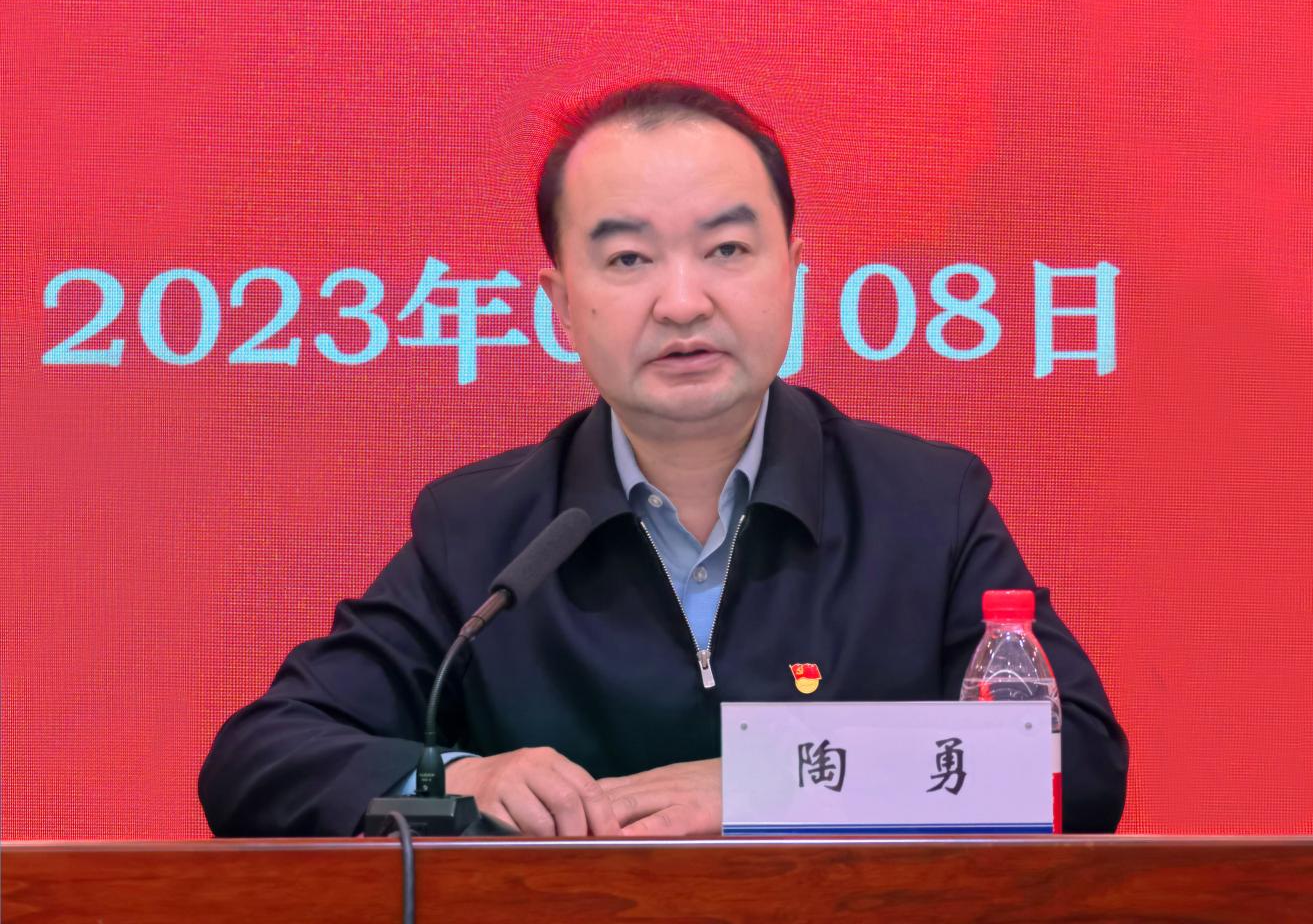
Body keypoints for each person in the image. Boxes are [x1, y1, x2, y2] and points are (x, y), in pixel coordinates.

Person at [199, 80, 1128, 838]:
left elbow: (1075, 762)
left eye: (726, 249)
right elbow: (261, 759)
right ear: (562, 305)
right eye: (628, 260)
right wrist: (462, 779)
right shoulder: (483, 532)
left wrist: (769, 782)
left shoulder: (924, 506)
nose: (682, 302)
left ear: (792, 271)